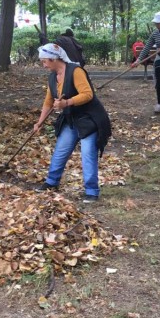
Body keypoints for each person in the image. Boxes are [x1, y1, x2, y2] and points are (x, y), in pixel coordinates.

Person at [33, 43, 111, 201]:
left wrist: (66, 103)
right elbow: (48, 102)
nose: (43, 65)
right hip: (71, 119)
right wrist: (39, 122)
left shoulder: (76, 71)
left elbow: (87, 94)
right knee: (60, 151)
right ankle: (52, 182)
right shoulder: (52, 77)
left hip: (90, 119)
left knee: (87, 153)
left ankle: (91, 191)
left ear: (54, 58)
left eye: (44, 61)